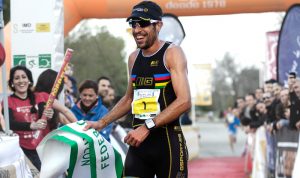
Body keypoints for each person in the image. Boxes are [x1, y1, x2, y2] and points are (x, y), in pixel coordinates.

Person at [84, 1, 191, 177]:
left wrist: (147, 127)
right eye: (133, 24)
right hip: (139, 144)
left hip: (168, 142)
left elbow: (184, 101)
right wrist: (101, 122)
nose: (137, 29)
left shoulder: (172, 53)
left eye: (143, 23)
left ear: (158, 25)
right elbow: (128, 99)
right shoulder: (133, 58)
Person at [6, 65, 77, 170]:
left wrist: (50, 114)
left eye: (24, 77)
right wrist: (80, 128)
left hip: (42, 148)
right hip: (23, 149)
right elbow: (9, 124)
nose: (21, 81)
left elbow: (60, 116)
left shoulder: (40, 97)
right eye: (17, 78)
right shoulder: (9, 101)